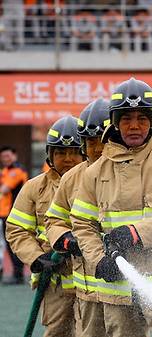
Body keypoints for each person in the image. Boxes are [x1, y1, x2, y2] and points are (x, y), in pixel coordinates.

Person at [70, 78, 152, 337]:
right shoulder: (94, 173)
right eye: (126, 118)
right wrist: (98, 260)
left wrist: (136, 232)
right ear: (115, 123)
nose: (134, 126)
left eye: (142, 118)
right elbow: (83, 225)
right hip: (119, 285)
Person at [5, 116, 84, 336]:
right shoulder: (33, 188)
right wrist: (37, 258)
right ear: (49, 155)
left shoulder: (97, 182)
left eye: (74, 152)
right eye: (60, 152)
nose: (68, 159)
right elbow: (17, 229)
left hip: (91, 281)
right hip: (54, 281)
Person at [45, 99, 109, 337]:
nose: (97, 148)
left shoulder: (131, 170)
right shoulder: (72, 178)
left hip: (125, 283)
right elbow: (54, 220)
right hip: (87, 282)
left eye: (103, 140)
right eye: (91, 141)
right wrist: (65, 239)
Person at [0, 146, 29, 284]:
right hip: (4, 213)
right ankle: (15, 274)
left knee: (13, 244)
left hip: (14, 213)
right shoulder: (5, 171)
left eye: (8, 156)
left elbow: (4, 189)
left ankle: (18, 275)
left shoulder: (17, 170)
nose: (6, 159)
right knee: (5, 245)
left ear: (14, 156)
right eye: (3, 156)